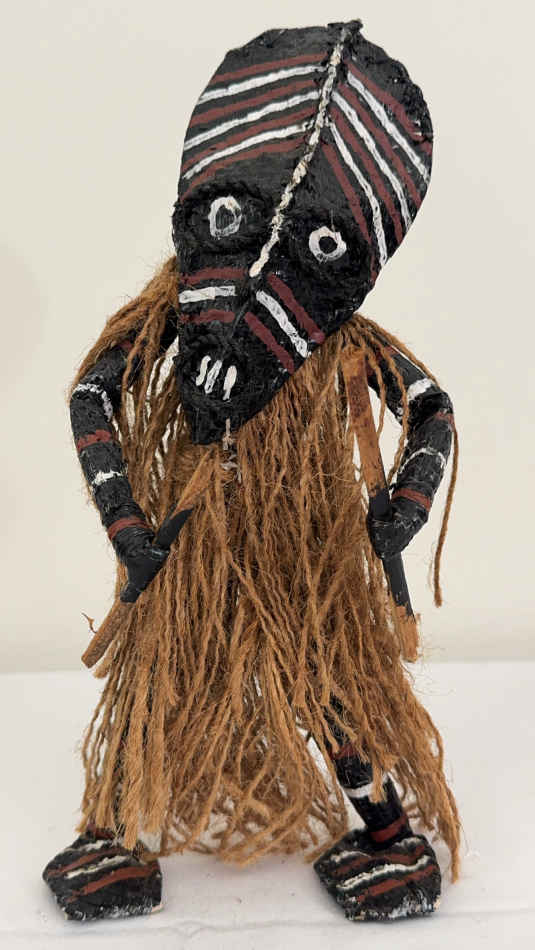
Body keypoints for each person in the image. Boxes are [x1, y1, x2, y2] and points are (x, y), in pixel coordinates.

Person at [43, 20, 460, 922]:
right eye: (231, 218)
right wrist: (128, 526)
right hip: (191, 555)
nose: (263, 260)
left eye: (319, 248)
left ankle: (386, 834)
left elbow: (429, 407)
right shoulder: (173, 313)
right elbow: (93, 393)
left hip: (305, 560)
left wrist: (403, 505)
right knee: (160, 682)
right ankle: (111, 832)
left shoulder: (339, 339)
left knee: (328, 682)